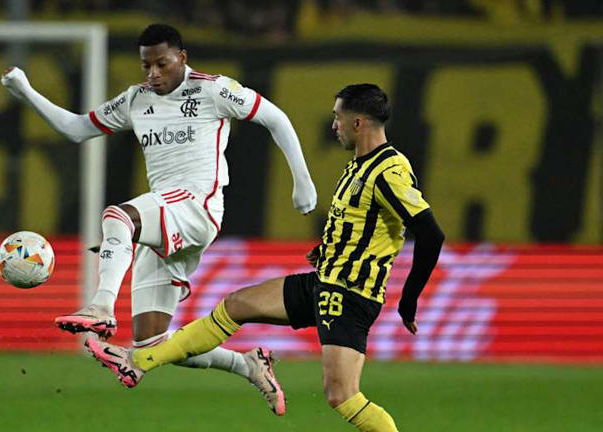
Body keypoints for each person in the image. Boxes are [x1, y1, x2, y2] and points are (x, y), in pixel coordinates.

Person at [85, 84, 445, 430]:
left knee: (343, 396)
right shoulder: (360, 165)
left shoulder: (388, 172)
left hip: (349, 296)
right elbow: (366, 225)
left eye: (337, 117)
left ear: (358, 122)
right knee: (236, 305)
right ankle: (140, 360)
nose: (333, 125)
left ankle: (140, 360)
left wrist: (408, 301)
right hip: (325, 283)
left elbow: (430, 234)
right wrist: (328, 250)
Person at [1, 24, 317, 415]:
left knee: (117, 214)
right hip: (166, 214)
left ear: (182, 58)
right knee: (154, 344)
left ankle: (100, 307)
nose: (152, 74)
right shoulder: (136, 100)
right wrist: (27, 93)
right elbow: (78, 129)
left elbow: (276, 118)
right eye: (146, 65)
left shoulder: (213, 89)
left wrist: (302, 182)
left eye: (161, 64)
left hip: (198, 206)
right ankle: (248, 363)